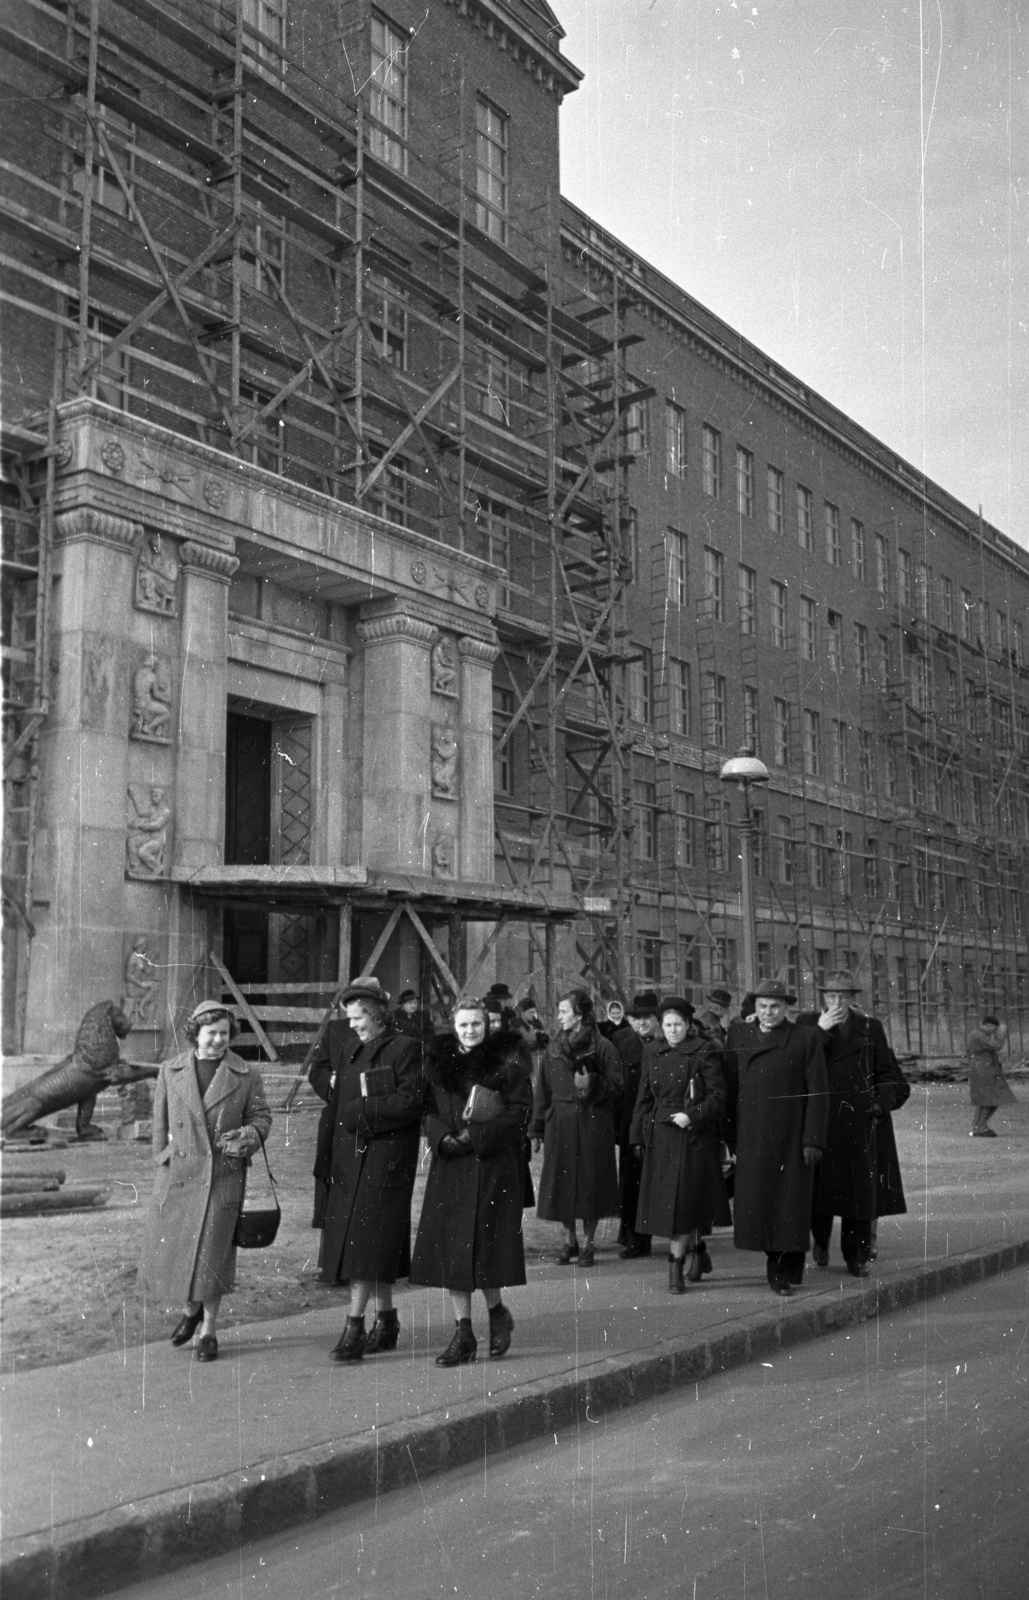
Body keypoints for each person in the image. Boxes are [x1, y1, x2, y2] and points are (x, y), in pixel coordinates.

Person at [140, 1000, 271, 1363]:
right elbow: (159, 1121)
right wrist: (161, 1158)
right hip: (180, 1175)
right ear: (195, 1034)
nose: (218, 1041)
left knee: (214, 1255)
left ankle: (208, 1329)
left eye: (224, 1034)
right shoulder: (171, 1070)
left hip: (222, 1176)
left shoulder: (245, 1074)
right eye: (211, 1033)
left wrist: (247, 1136)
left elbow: (262, 1117)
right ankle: (190, 1310)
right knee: (182, 1250)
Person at [410, 997, 533, 1365]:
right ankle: (463, 1333)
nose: (469, 1031)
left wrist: (475, 1138)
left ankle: (497, 1313)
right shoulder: (437, 1063)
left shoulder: (507, 1061)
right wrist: (442, 1137)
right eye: (463, 1025)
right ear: (453, 1026)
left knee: (485, 1248)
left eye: (476, 1024)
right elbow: (428, 1109)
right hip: (450, 1166)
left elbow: (520, 1113)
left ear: (487, 1025)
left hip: (492, 1165)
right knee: (452, 1249)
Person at [309, 978, 422, 1362]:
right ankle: (386, 1322)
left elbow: (410, 1103)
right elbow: (336, 1109)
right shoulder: (348, 1049)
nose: (353, 1024)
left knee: (364, 1247)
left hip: (385, 1163)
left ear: (376, 1014)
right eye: (349, 1018)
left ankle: (354, 1327)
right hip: (348, 1162)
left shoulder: (406, 1049)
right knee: (372, 1247)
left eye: (358, 1017)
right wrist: (327, 1160)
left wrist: (361, 1114)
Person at [799, 970, 910, 1277]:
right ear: (823, 998)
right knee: (818, 1193)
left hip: (859, 1122)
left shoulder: (869, 1027)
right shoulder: (807, 1025)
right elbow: (794, 1067)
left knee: (859, 1194)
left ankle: (856, 1256)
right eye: (831, 996)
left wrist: (878, 1102)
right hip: (819, 1119)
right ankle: (820, 1242)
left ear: (852, 999)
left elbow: (889, 1073)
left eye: (843, 997)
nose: (837, 1002)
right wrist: (819, 1033)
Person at [730, 979, 828, 1295]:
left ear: (786, 1008)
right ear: (754, 1008)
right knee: (760, 1204)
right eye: (762, 1006)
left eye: (774, 1006)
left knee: (789, 1205)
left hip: (791, 1137)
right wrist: (729, 1139)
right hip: (753, 1136)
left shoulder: (805, 1037)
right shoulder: (740, 1035)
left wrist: (813, 1138)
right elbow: (731, 1088)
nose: (768, 1012)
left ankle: (782, 1272)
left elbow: (819, 1091)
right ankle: (773, 1264)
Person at [630, 997, 731, 1292]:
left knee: (683, 1204)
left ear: (689, 1025)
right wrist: (637, 1136)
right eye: (668, 1025)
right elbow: (644, 1098)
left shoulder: (705, 1051)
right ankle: (698, 1254)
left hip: (693, 1136)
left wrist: (691, 1116)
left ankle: (675, 1267)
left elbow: (718, 1096)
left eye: (678, 1025)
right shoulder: (652, 1051)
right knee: (677, 1204)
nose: (673, 1030)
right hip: (661, 1135)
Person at [531, 988, 621, 1266]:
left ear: (579, 1015)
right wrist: (535, 1129)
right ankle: (569, 1242)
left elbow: (618, 1086)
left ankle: (589, 1246)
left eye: (563, 1011)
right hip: (559, 1124)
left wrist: (594, 1085)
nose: (558, 1017)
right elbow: (542, 1091)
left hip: (592, 1124)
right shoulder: (554, 1047)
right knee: (562, 1185)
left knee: (590, 1186)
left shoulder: (603, 1046)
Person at [616, 991, 660, 1258]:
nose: (641, 1023)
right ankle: (634, 1237)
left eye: (647, 1017)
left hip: (660, 1118)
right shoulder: (621, 1040)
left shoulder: (666, 1039)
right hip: (630, 1119)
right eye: (635, 1018)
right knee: (631, 1180)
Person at [967, 1015, 1016, 1137]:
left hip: (986, 1070)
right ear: (986, 1025)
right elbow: (996, 1046)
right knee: (987, 1100)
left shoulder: (979, 1034)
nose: (994, 1032)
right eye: (993, 1029)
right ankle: (979, 1127)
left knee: (991, 1100)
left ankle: (980, 1126)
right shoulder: (978, 1035)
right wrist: (1002, 1035)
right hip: (983, 1071)